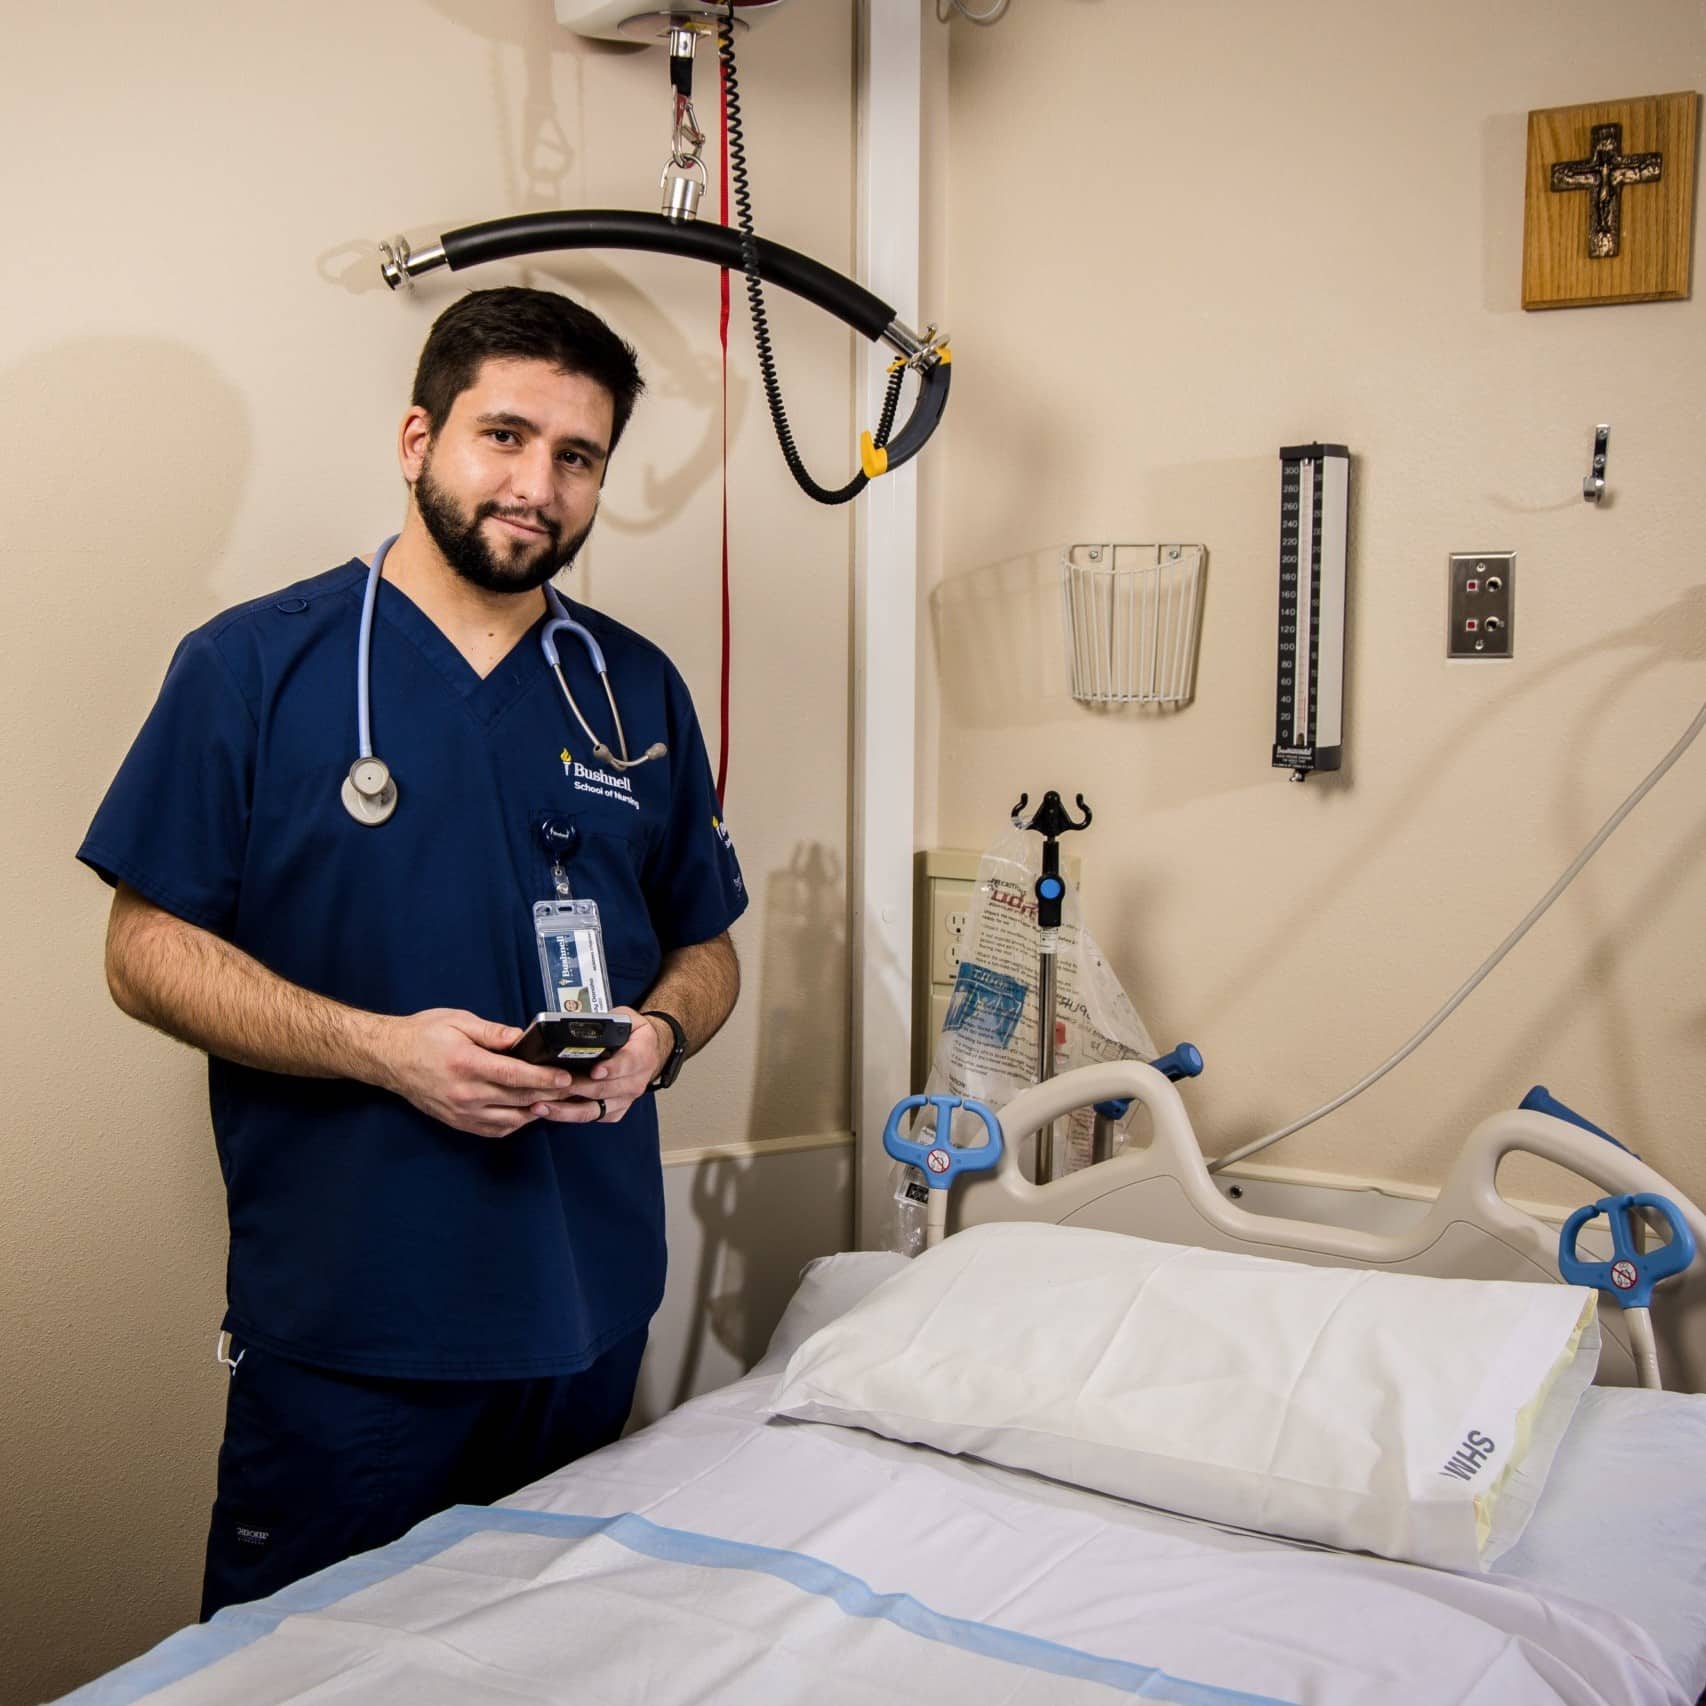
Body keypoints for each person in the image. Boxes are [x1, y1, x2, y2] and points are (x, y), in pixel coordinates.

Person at [77, 286, 745, 1619]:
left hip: (587, 1320)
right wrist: (383, 1051)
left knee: (559, 1666)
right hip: (356, 1341)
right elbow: (144, 951)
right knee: (301, 1673)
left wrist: (659, 1033)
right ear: (415, 438)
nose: (536, 485)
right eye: (502, 435)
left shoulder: (633, 687)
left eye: (577, 457)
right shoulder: (254, 666)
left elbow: (709, 948)